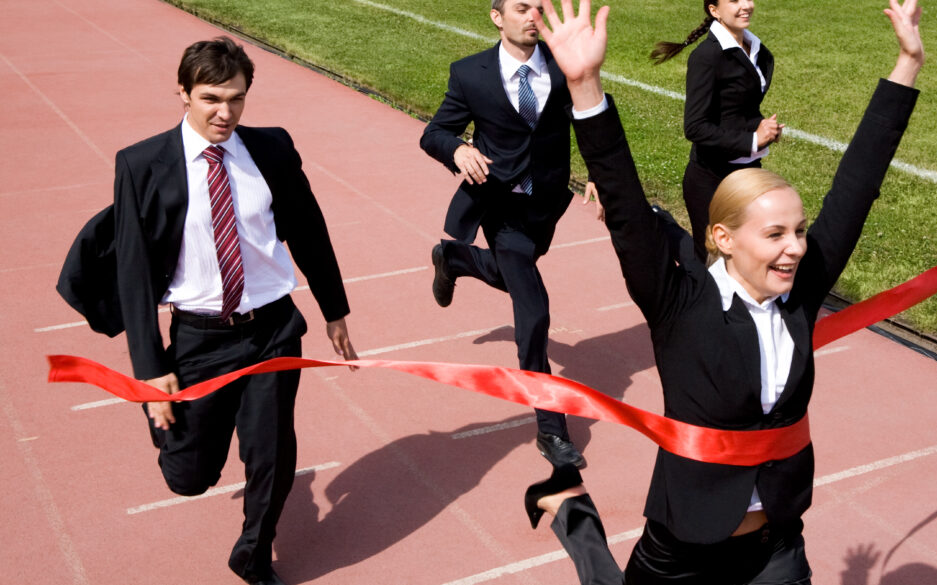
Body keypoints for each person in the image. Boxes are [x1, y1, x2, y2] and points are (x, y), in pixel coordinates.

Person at [522, 0, 926, 583]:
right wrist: (584, 85)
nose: (796, 247)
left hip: (777, 545)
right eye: (775, 234)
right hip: (683, 540)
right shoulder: (678, 299)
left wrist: (907, 63)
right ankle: (574, 512)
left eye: (800, 231)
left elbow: (859, 182)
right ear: (723, 238)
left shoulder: (800, 294)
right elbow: (626, 204)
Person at [57, 37, 357, 585]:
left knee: (271, 448)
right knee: (188, 477)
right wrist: (150, 370)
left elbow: (309, 230)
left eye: (237, 99)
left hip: (272, 328)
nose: (226, 113)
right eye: (212, 98)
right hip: (199, 337)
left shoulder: (271, 148)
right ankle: (176, 438)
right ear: (183, 93)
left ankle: (253, 551)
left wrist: (334, 309)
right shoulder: (142, 164)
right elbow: (134, 272)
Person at [420, 0, 601, 469]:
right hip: (498, 208)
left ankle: (455, 259)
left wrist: (602, 170)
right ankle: (551, 429)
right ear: (497, 16)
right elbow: (435, 132)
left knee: (509, 274)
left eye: (540, 8)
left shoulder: (563, 67)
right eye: (523, 7)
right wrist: (457, 151)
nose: (533, 16)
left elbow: (589, 118)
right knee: (534, 307)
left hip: (544, 208)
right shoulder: (470, 73)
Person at [651, 0, 784, 263]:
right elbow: (695, 126)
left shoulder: (757, 49)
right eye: (734, 1)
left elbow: (740, 107)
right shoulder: (707, 57)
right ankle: (664, 227)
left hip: (748, 173)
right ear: (714, 10)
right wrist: (753, 138)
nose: (746, 5)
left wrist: (762, 129)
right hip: (711, 180)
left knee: (747, 258)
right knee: (714, 266)